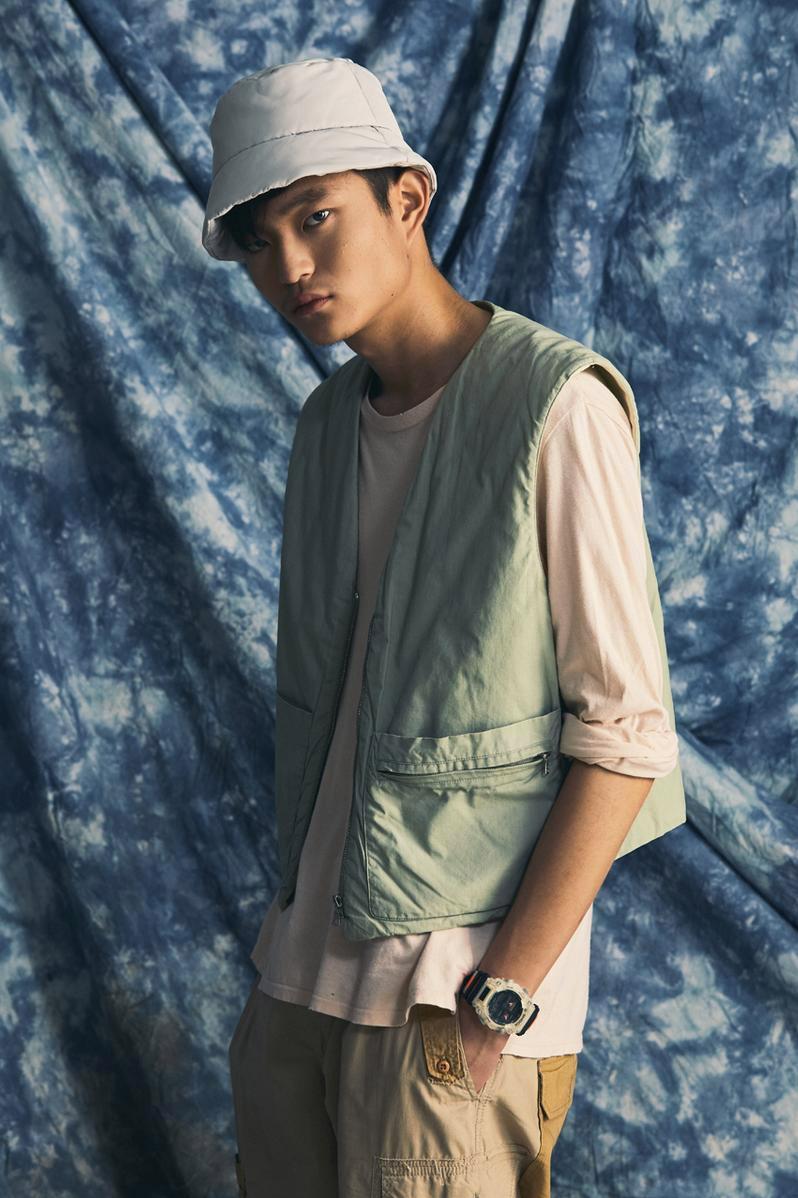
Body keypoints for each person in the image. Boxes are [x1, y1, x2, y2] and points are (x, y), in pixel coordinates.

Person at [201, 56, 686, 1198]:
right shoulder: (326, 427)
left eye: (315, 216)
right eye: (260, 242)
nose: (290, 266)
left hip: (448, 1010)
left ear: (407, 200)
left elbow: (626, 737)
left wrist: (499, 1001)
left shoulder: (556, 406)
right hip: (297, 993)